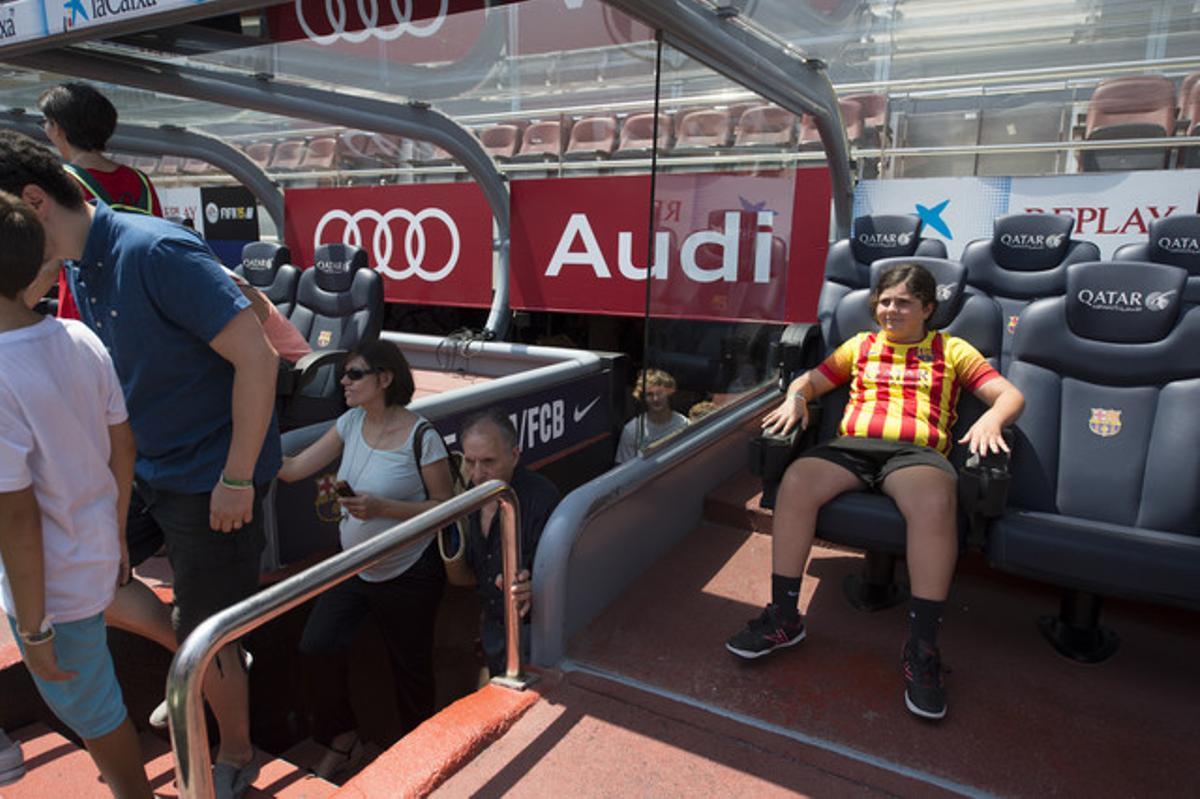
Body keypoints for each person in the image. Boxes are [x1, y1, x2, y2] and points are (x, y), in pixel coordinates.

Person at [0, 131, 280, 799]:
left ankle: (237, 749)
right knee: (118, 583)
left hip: (211, 475)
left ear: (33, 202)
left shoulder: (152, 249)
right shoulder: (75, 269)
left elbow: (259, 356)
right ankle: (185, 659)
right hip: (148, 468)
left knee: (208, 626)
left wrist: (237, 476)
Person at [724, 262, 1025, 721]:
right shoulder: (860, 345)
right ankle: (784, 618)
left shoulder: (953, 349)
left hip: (915, 455)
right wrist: (795, 397)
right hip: (853, 447)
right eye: (884, 301)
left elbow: (1010, 396)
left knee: (934, 501)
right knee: (798, 481)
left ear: (928, 308)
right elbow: (813, 380)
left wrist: (991, 417)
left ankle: (921, 649)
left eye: (903, 302)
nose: (890, 310)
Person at [0, 191, 153, 798]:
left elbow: (16, 522)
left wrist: (33, 634)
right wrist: (115, 534)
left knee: (94, 707)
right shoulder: (80, 338)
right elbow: (125, 448)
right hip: (91, 553)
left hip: (51, 589)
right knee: (95, 695)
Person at [277, 340, 451, 780]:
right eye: (345, 374)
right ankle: (343, 738)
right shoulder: (350, 421)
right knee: (315, 647)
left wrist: (383, 509)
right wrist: (242, 454)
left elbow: (445, 506)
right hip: (353, 567)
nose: (344, 381)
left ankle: (421, 764)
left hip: (410, 572)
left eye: (354, 374)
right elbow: (296, 469)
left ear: (385, 379)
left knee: (410, 672)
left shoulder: (422, 436)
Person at [37, 82, 162, 321]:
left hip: (85, 314)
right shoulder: (140, 180)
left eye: (46, 123)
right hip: (140, 309)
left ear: (59, 129)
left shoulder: (60, 183)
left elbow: (51, 266)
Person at [458, 409, 561, 678]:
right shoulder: (471, 496)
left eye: (488, 462)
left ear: (515, 455)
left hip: (533, 632)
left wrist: (535, 585)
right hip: (492, 627)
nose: (478, 474)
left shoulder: (543, 499)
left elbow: (564, 572)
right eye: (470, 462)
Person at [614, 368, 689, 463]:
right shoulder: (632, 430)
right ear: (642, 397)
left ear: (669, 393)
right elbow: (622, 470)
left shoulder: (684, 424)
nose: (655, 399)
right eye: (649, 394)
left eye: (660, 393)